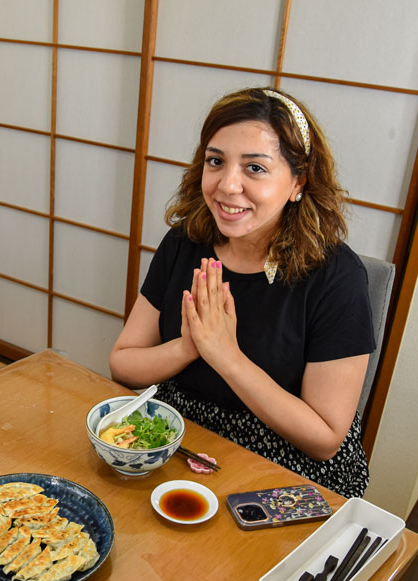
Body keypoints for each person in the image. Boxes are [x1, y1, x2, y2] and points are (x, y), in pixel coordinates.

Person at [110, 88, 374, 497]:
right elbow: (123, 365)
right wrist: (188, 347)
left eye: (255, 168)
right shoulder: (184, 243)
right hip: (182, 438)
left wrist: (227, 356)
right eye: (216, 162)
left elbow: (324, 438)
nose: (227, 185)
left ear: (297, 183)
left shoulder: (337, 278)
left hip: (286, 461)